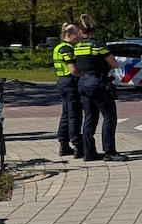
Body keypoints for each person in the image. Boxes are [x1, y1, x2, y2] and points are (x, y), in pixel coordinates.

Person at [70, 15, 127, 161]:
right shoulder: (98, 46)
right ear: (93, 31)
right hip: (98, 83)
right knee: (109, 117)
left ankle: (89, 152)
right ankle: (109, 151)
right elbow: (114, 64)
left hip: (83, 83)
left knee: (90, 117)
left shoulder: (77, 47)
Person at [54, 23, 84, 157]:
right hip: (70, 82)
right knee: (74, 115)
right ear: (68, 35)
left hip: (62, 82)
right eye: (76, 35)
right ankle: (78, 145)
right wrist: (84, 76)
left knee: (66, 115)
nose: (79, 38)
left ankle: (63, 144)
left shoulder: (59, 47)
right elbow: (74, 70)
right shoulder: (66, 49)